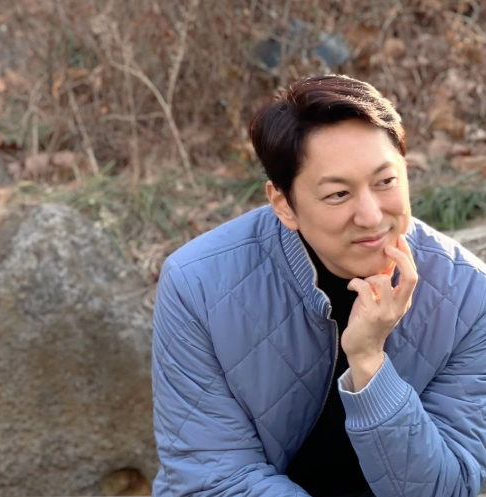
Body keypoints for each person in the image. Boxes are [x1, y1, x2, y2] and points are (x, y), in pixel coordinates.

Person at [151, 75, 486, 497]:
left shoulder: (469, 296)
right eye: (338, 194)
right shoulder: (197, 285)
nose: (371, 216)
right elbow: (215, 480)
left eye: (386, 182)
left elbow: (448, 487)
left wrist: (369, 362)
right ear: (284, 205)